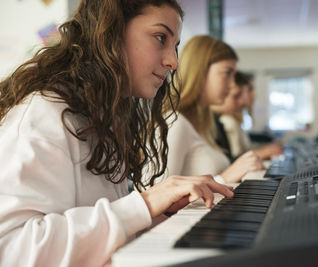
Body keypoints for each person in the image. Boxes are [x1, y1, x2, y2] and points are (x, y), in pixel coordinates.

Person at [0, 1, 234, 266]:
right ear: (112, 31)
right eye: (160, 38)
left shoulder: (101, 119)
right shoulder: (44, 113)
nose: (173, 62)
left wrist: (157, 213)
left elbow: (95, 236)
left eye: (175, 46)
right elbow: (10, 249)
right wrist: (144, 204)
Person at [148, 35, 265, 185]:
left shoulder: (203, 123)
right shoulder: (174, 122)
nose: (231, 85)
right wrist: (224, 178)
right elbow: (154, 195)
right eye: (227, 74)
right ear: (200, 72)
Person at [212, 71, 283, 160]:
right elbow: (232, 160)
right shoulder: (227, 121)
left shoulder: (233, 121)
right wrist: (261, 153)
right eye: (249, 89)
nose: (254, 95)